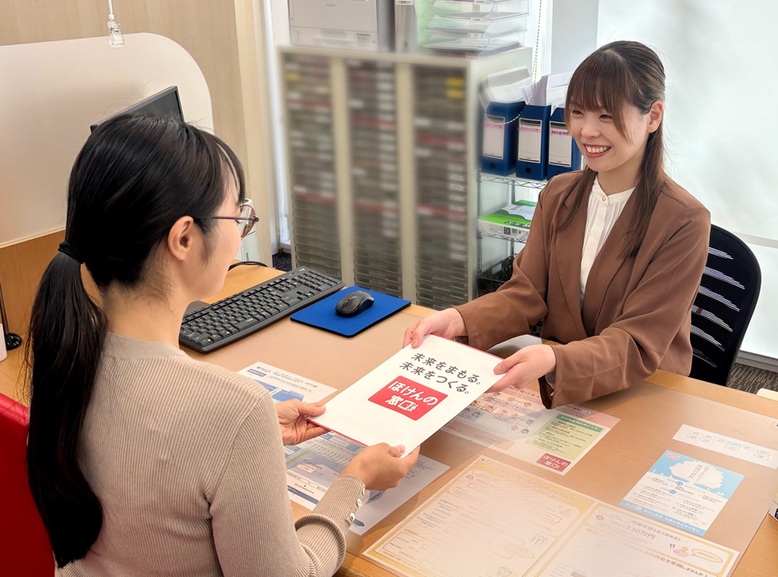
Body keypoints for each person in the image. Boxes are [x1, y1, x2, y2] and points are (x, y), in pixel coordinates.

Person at [26, 114, 418, 576]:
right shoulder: (234, 409)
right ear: (184, 238)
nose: (241, 231)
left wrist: (247, 438)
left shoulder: (63, 364)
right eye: (237, 214)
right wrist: (356, 480)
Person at [404, 41, 711, 409]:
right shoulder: (558, 194)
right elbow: (526, 293)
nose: (587, 131)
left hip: (641, 391)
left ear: (653, 116)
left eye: (606, 116)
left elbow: (637, 341)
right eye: (577, 112)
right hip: (559, 382)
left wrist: (556, 360)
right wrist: (458, 319)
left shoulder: (684, 220)